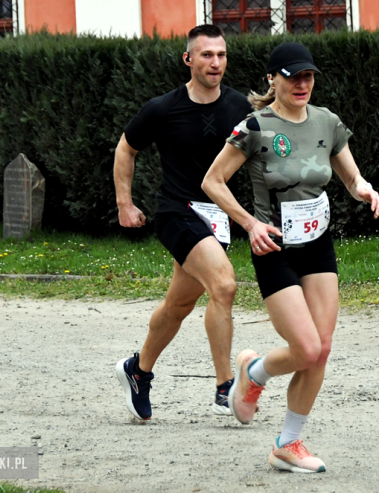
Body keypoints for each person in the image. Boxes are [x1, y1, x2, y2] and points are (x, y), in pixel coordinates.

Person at [202, 42, 379, 473]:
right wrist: (250, 224)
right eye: (292, 76)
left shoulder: (327, 122)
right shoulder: (254, 127)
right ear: (272, 80)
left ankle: (288, 442)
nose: (302, 84)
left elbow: (347, 171)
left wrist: (362, 187)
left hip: (317, 243)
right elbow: (213, 181)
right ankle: (255, 371)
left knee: (320, 351)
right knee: (304, 347)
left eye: (308, 77)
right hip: (274, 246)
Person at [113, 25, 251, 420]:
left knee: (179, 305)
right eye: (206, 55)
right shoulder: (163, 108)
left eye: (221, 55)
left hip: (216, 218)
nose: (215, 62)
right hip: (177, 213)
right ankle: (226, 387)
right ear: (188, 59)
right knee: (223, 284)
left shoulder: (240, 106)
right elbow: (126, 148)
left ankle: (137, 371)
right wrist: (125, 203)